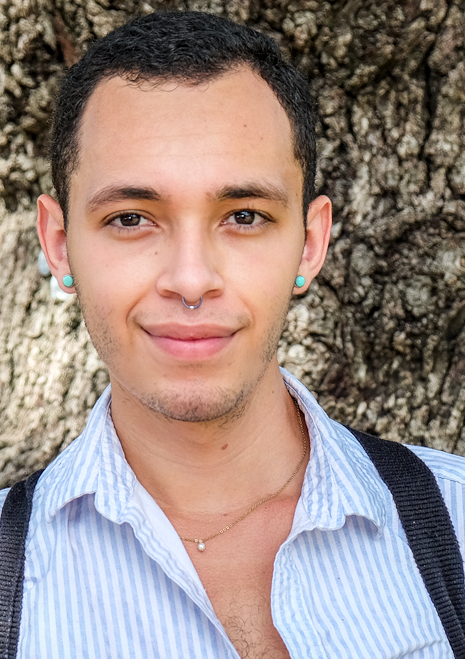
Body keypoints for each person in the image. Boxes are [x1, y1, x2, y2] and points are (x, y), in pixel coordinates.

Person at [3, 9, 465, 658]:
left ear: (308, 243)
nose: (190, 281)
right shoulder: (8, 576)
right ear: (59, 243)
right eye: (132, 217)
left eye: (243, 215)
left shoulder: (457, 527)